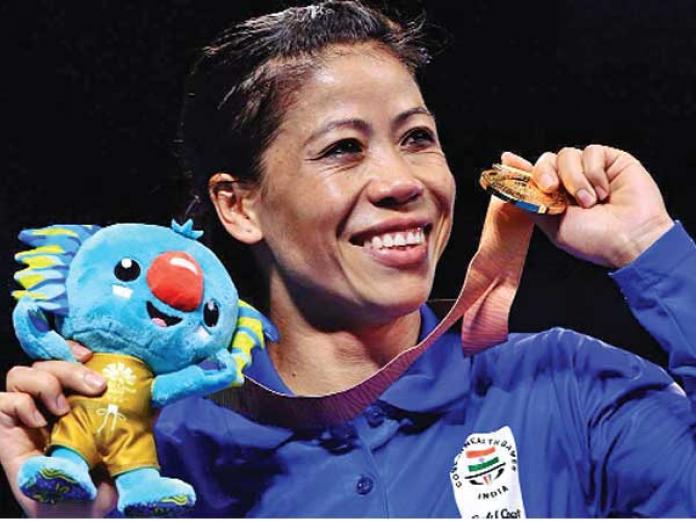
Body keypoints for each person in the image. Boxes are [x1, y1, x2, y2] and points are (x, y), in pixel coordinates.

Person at [1, 0, 694, 517]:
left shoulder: (568, 387)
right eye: (343, 148)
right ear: (239, 205)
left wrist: (652, 250)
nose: (402, 181)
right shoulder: (168, 450)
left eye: (417, 138)